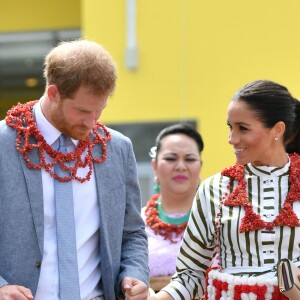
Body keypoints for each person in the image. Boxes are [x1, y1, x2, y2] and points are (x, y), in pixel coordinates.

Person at [0, 39, 149, 300]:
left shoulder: (117, 149)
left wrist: (134, 272)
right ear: (53, 93)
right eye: (82, 111)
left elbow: (132, 232)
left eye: (100, 110)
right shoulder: (3, 143)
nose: (92, 123)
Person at [150, 80, 300, 300]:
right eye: (230, 127)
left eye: (243, 128)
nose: (232, 139)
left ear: (277, 130)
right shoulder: (214, 189)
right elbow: (190, 275)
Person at [142, 123, 204, 291]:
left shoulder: (216, 222)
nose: (181, 166)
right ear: (154, 166)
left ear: (200, 166)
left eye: (190, 159)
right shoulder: (135, 224)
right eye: (171, 158)